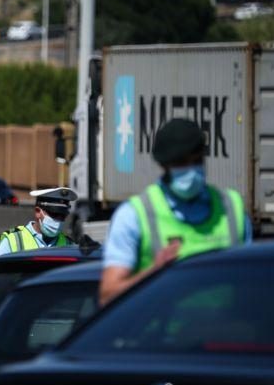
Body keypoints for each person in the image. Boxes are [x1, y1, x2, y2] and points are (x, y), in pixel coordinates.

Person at [100, 118, 251, 305]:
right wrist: (155, 272)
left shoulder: (231, 207)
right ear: (165, 165)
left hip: (226, 332)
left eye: (196, 161)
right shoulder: (134, 215)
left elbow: (252, 283)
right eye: (181, 163)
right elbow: (108, 296)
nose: (190, 170)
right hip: (162, 333)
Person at [0, 187, 78, 257]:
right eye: (54, 214)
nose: (58, 220)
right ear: (38, 212)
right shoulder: (13, 241)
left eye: (62, 216)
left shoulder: (69, 245)